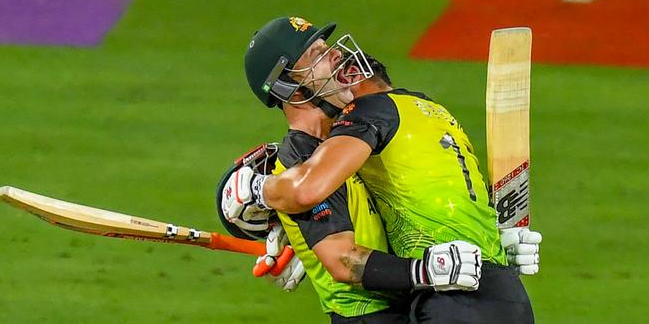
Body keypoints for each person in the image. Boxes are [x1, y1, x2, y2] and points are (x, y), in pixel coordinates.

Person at [222, 16, 542, 323]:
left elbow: (415, 200)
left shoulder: (352, 139)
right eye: (317, 54)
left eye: (327, 46)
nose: (337, 55)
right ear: (286, 87)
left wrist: (492, 246)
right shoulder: (304, 157)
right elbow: (340, 255)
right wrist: (259, 190)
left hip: (420, 304)